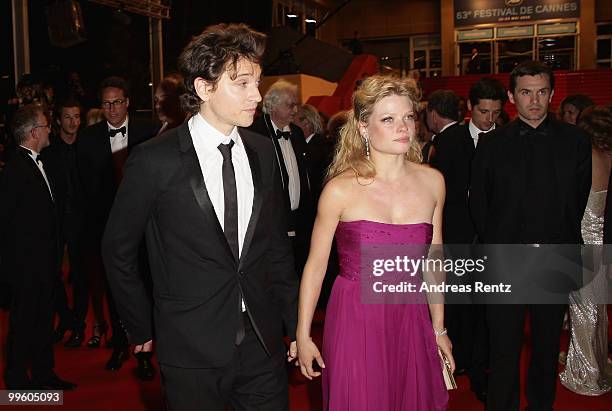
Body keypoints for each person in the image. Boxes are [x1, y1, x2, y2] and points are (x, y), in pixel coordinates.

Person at [102, 23, 298, 410]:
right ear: (204, 88)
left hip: (262, 341)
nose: (256, 95)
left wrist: (293, 323)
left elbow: (276, 247)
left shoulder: (262, 151)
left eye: (257, 82)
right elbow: (117, 248)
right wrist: (139, 323)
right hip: (189, 345)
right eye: (242, 83)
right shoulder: (153, 160)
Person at [296, 75, 451, 411]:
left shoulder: (432, 182)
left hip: (411, 315)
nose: (403, 127)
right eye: (388, 119)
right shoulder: (340, 189)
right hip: (356, 316)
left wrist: (439, 329)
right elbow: (316, 265)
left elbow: (434, 261)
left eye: (408, 117)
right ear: (364, 128)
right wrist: (304, 334)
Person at [470, 61, 591, 411]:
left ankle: (541, 406)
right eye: (525, 92)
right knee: (503, 348)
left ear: (552, 94)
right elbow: (479, 203)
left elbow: (577, 203)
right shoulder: (491, 145)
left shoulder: (577, 141)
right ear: (511, 96)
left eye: (541, 92)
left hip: (553, 258)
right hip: (505, 259)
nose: (534, 100)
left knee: (545, 345)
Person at [77, 76, 158, 376]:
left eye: (117, 102)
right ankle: (120, 344)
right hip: (109, 228)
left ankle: (147, 353)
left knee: (147, 285)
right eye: (106, 103)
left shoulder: (150, 132)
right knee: (115, 288)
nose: (111, 109)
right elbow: (83, 189)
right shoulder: (87, 139)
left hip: (146, 227)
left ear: (127, 103)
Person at [0, 104, 76, 390]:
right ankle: (17, 382)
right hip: (26, 268)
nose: (50, 130)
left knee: (43, 321)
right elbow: (7, 225)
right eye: (46, 126)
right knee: (24, 325)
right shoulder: (15, 170)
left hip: (45, 264)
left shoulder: (37, 163)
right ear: (34, 133)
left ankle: (45, 375)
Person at [559, 105, 612, 395]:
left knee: (584, 309)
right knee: (597, 308)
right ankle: (596, 363)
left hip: (583, 236)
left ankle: (587, 372)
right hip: (601, 237)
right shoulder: (607, 155)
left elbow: (572, 201)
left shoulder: (588, 156)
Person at [250, 79, 313, 275]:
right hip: (272, 221)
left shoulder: (296, 133)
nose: (295, 110)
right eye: (290, 105)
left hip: (298, 218)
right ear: (272, 106)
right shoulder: (256, 133)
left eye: (296, 104)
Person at [42, 98, 88, 348]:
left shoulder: (87, 146)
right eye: (68, 117)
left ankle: (78, 324)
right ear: (58, 120)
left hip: (83, 222)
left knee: (81, 277)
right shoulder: (48, 152)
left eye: (77, 117)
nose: (73, 122)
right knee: (52, 274)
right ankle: (66, 318)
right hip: (56, 222)